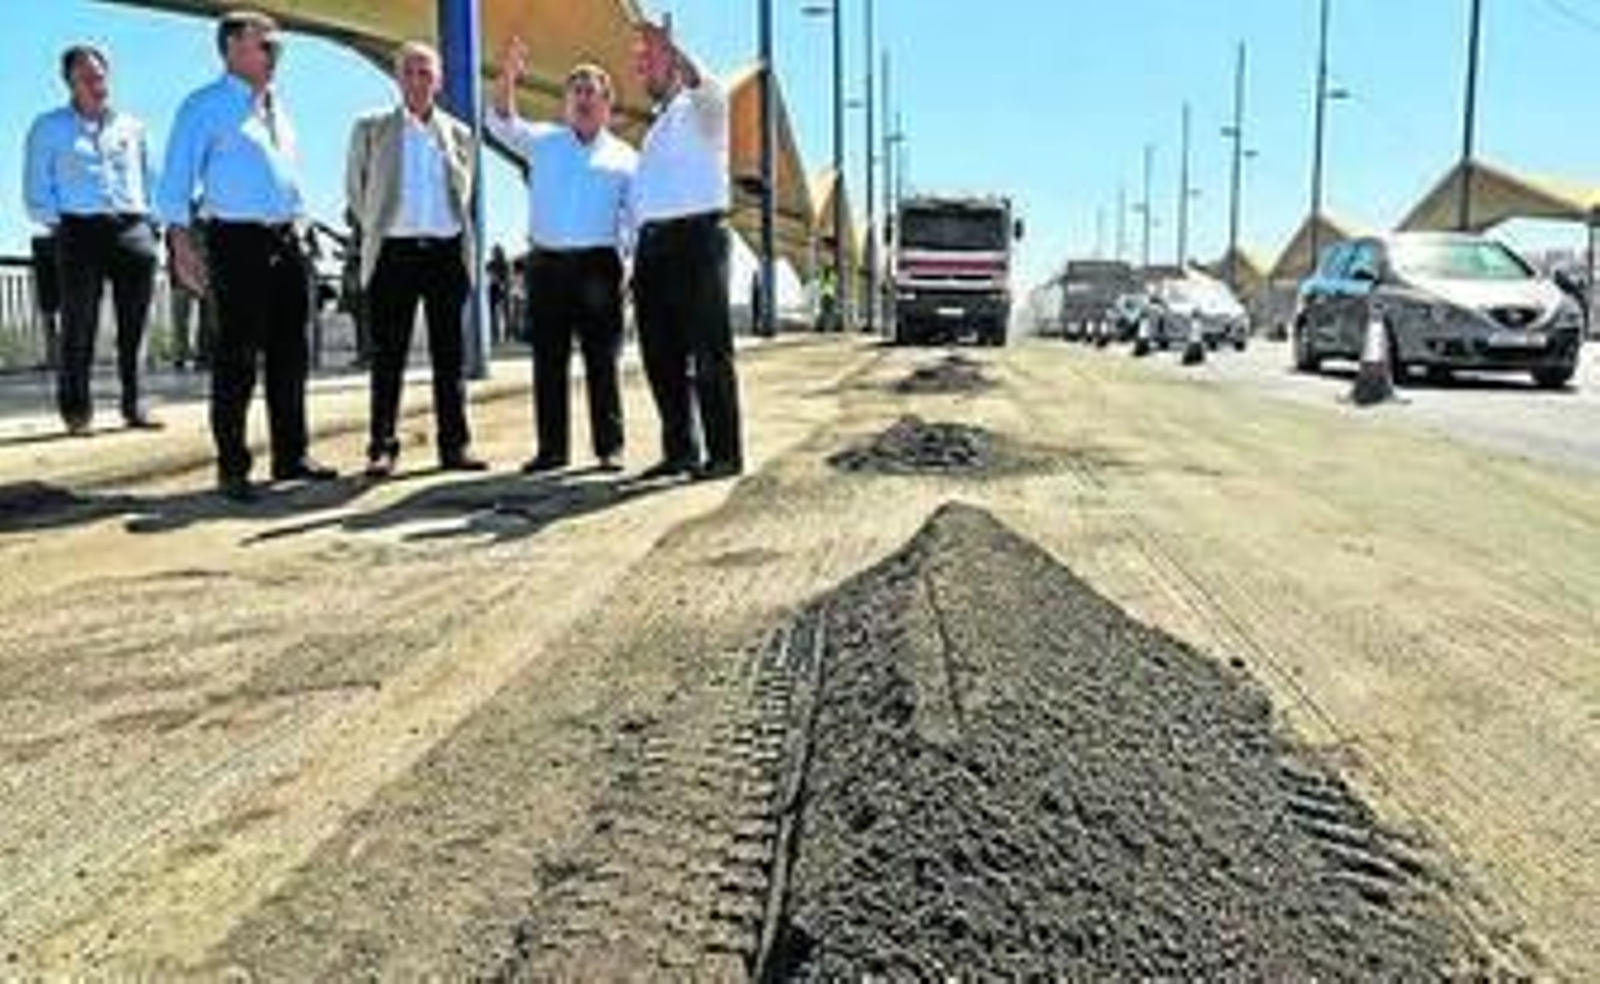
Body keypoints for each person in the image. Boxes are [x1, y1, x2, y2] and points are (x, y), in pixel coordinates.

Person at [158, 9, 337, 501]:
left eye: (277, 47)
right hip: (236, 242)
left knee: (291, 353)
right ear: (233, 48)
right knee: (236, 356)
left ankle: (291, 454)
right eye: (266, 45)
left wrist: (303, 229)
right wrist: (179, 243)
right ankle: (232, 466)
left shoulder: (278, 108)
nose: (276, 54)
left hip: (288, 241)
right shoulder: (205, 107)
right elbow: (175, 180)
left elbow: (285, 180)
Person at [488, 40, 636, 475]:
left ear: (608, 105)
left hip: (599, 267)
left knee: (601, 361)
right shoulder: (543, 141)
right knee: (548, 362)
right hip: (547, 265)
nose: (584, 98)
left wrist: (629, 267)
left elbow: (635, 218)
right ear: (565, 103)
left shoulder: (626, 158)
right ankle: (552, 450)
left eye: (593, 91)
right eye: (576, 91)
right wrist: (509, 75)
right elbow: (498, 120)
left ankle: (610, 447)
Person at [346, 41, 487, 479]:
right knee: (388, 357)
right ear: (396, 77)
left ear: (439, 80)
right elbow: (356, 192)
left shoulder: (460, 135)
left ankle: (454, 446)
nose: (417, 80)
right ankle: (381, 448)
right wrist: (377, 227)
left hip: (446, 252)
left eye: (426, 72)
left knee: (450, 357)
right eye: (409, 71)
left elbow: (467, 196)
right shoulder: (371, 129)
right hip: (394, 252)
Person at [23, 44, 162, 434]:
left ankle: (135, 405)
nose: (96, 83)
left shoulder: (132, 126)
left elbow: (153, 179)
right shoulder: (47, 127)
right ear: (69, 81)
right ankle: (77, 411)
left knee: (135, 326)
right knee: (78, 326)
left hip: (132, 230)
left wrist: (151, 224)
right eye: (86, 76)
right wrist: (62, 224)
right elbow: (37, 188)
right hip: (78, 231)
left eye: (100, 75)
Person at [631, 15, 744, 481]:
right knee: (660, 354)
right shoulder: (656, 128)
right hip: (654, 246)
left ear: (675, 66)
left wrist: (675, 51)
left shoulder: (705, 109)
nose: (641, 72)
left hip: (698, 238)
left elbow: (705, 85)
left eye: (648, 63)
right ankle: (680, 450)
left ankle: (724, 454)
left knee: (709, 351)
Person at [487, 244, 510, 345]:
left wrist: (501, 282)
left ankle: (506, 335)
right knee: (493, 313)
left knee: (504, 312)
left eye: (495, 252)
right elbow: (487, 272)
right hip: (494, 289)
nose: (494, 254)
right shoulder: (491, 264)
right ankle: (494, 335)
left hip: (502, 289)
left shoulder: (504, 264)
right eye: (493, 252)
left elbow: (507, 277)